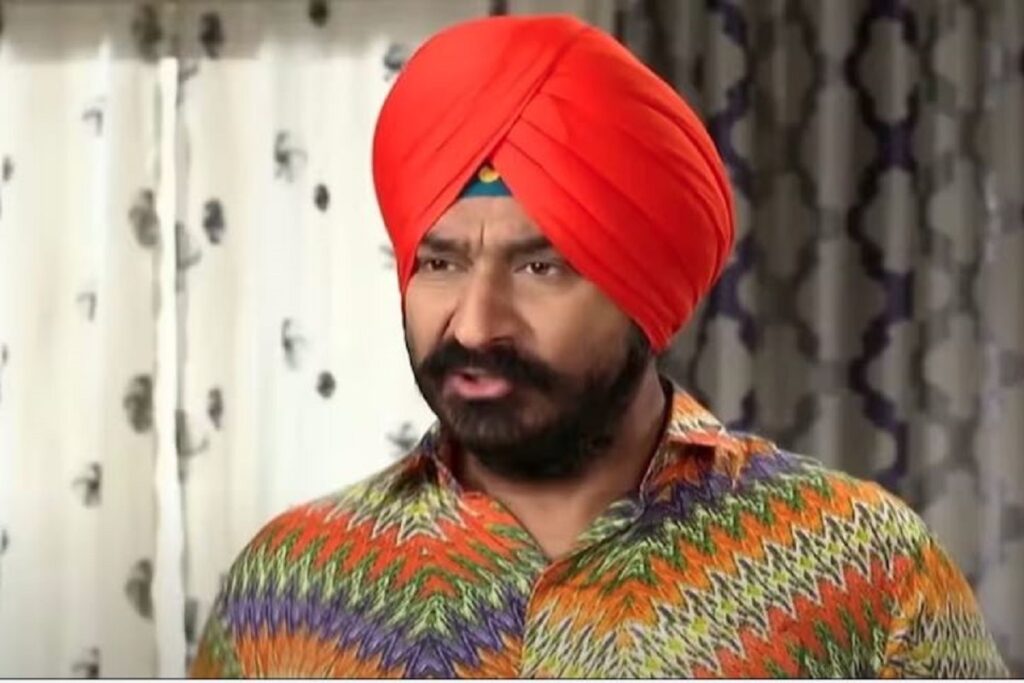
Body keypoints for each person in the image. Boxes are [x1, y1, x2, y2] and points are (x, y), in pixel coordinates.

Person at [190, 14, 1008, 679]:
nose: (474, 325)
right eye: (440, 263)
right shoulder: (287, 586)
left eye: (540, 266)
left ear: (643, 296)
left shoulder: (868, 573)